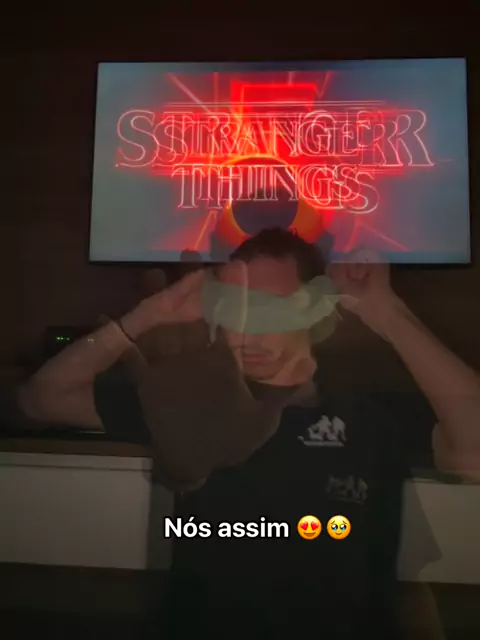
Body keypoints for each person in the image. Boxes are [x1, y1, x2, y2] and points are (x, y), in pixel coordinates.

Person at [16, 226, 480, 638]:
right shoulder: (184, 401)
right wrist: (144, 318)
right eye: (236, 314)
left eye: (273, 313)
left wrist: (387, 313)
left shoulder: (369, 417)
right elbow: (44, 398)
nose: (250, 336)